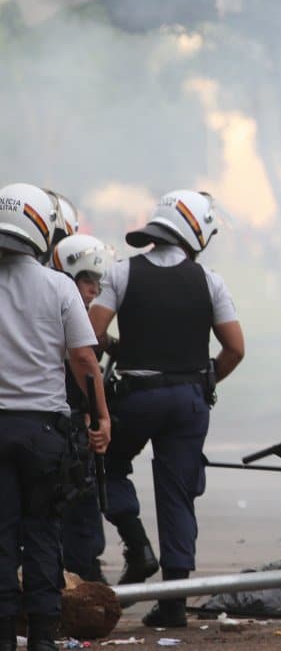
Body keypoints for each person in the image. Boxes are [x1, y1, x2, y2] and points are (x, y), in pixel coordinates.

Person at [87, 190, 244, 628]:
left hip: (137, 396)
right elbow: (235, 348)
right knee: (177, 493)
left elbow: (92, 334)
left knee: (106, 465)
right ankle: (174, 601)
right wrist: (203, 379)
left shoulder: (121, 273)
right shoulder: (209, 280)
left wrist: (120, 349)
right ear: (196, 230)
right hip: (189, 401)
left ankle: (137, 546)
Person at [0, 183, 109, 651]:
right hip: (45, 431)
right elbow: (85, 359)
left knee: (0, 534)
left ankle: (3, 644)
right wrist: (99, 415)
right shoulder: (59, 286)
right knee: (43, 532)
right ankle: (43, 642)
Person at [49, 234, 116, 585]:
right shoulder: (63, 307)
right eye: (88, 280)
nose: (93, 290)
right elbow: (83, 360)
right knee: (77, 516)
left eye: (97, 282)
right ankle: (83, 585)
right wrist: (99, 415)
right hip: (65, 428)